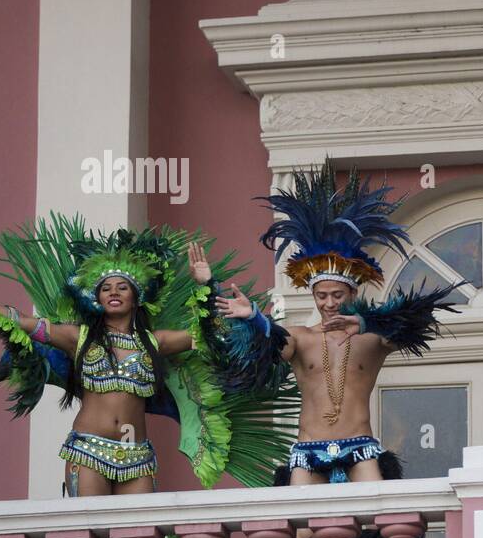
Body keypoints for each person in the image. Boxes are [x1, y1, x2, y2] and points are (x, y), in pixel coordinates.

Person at [0, 215, 297, 495]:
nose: (113, 292)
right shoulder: (78, 338)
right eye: (106, 288)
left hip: (138, 457)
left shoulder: (155, 342)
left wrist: (206, 284)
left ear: (135, 297)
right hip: (88, 450)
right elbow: (24, 322)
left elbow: (206, 336)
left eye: (122, 287)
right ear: (97, 298)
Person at [198, 162, 461, 484]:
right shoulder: (301, 337)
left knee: (372, 520)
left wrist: (365, 324)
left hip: (360, 446)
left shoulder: (372, 339)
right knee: (302, 533)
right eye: (321, 295)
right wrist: (253, 316)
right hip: (308, 448)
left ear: (352, 292)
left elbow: (411, 326)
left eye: (337, 294)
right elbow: (267, 348)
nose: (329, 303)